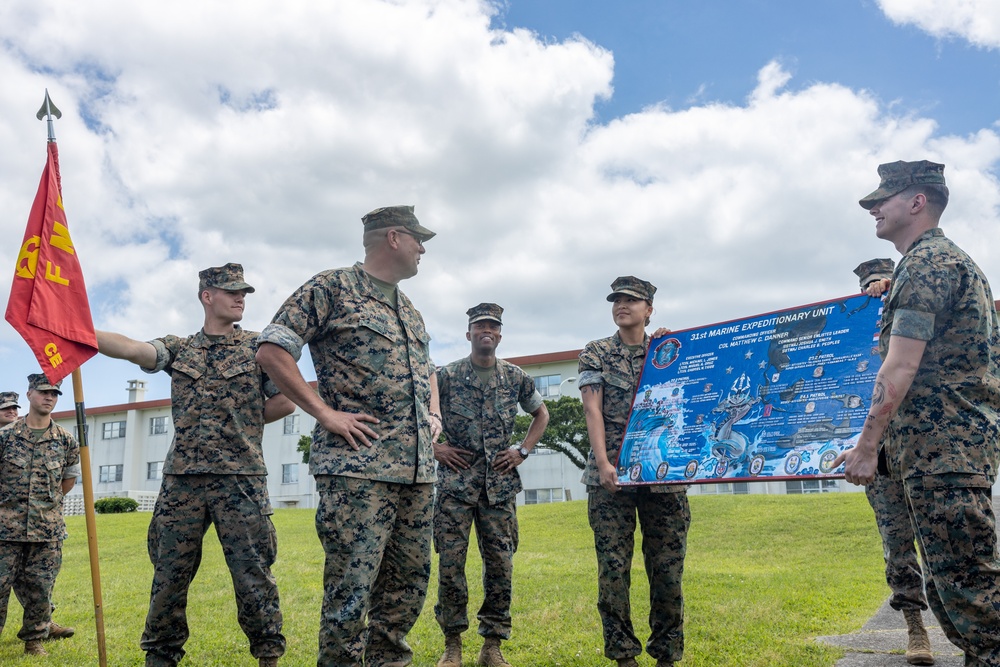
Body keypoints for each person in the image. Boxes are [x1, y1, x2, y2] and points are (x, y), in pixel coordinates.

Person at [256, 205, 442, 667]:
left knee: (407, 587)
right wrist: (324, 413)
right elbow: (272, 349)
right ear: (394, 238)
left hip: (416, 473)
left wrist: (434, 413)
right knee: (351, 592)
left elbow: (426, 370)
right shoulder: (332, 287)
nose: (423, 249)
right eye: (419, 240)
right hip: (358, 470)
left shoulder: (410, 310)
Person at [835, 160, 1000, 666]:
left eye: (883, 199)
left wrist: (867, 449)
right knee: (963, 605)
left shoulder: (927, 265)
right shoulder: (939, 262)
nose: (874, 209)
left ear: (917, 201)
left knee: (975, 601)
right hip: (940, 455)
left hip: (943, 454)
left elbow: (900, 366)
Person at [96, 263, 292, 667]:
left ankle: (268, 656)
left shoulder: (259, 347)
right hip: (182, 481)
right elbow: (134, 349)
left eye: (244, 293)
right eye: (232, 291)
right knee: (169, 574)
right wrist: (79, 331)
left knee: (253, 573)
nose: (241, 298)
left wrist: (245, 420)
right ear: (207, 296)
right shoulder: (180, 348)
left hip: (241, 478)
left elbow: (286, 399)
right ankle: (161, 657)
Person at [578, 277, 690, 667]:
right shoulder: (597, 352)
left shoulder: (669, 350)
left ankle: (666, 656)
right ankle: (624, 656)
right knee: (613, 570)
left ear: (649, 309)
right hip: (611, 477)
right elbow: (592, 409)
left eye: (631, 300)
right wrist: (605, 463)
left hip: (663, 475)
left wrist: (673, 347)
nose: (621, 305)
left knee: (668, 572)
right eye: (616, 300)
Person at [433, 303, 550, 667]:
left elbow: (541, 414)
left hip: (499, 488)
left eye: (493, 326)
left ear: (500, 335)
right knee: (451, 565)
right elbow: (423, 415)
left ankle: (492, 645)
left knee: (500, 565)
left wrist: (522, 450)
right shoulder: (446, 375)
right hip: (456, 486)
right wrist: (436, 449)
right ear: (468, 334)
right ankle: (452, 644)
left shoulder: (515, 378)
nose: (487, 330)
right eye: (480, 325)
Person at [853, 258, 933, 666]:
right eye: (867, 285)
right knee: (897, 544)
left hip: (925, 448)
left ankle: (964, 622)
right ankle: (916, 628)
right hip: (880, 458)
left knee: (940, 542)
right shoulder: (852, 331)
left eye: (880, 283)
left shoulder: (920, 311)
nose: (875, 290)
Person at [0, 374, 80, 657]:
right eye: (44, 392)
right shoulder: (5, 437)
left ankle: (34, 641)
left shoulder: (65, 440)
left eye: (55, 393)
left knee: (40, 588)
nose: (49, 397)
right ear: (30, 394)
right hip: (4, 529)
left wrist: (48, 503)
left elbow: (68, 479)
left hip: (47, 530)